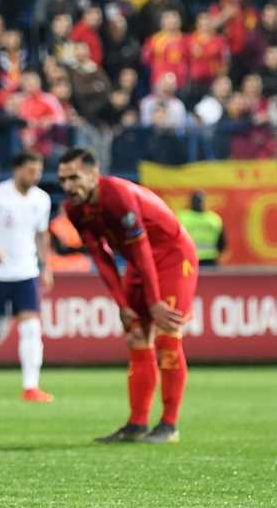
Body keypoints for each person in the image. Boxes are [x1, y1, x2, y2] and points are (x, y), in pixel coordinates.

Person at [58, 148, 198, 444]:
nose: (68, 186)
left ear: (94, 175)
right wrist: (121, 303)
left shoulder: (117, 195)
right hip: (138, 262)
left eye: (74, 178)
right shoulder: (74, 209)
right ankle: (137, 424)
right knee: (136, 335)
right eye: (63, 180)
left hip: (172, 256)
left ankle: (169, 424)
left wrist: (155, 300)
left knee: (168, 333)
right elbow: (101, 257)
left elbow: (143, 247)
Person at [0, 152, 54, 404]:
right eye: (31, 170)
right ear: (17, 170)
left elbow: (42, 234)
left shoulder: (42, 199)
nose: (35, 175)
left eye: (38, 171)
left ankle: (31, 387)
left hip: (26, 271)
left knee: (31, 326)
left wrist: (46, 266)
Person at [178, 191, 225, 267]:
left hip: (189, 260)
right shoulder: (214, 219)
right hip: (209, 261)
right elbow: (222, 244)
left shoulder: (182, 218)